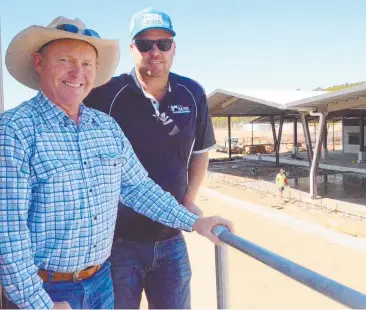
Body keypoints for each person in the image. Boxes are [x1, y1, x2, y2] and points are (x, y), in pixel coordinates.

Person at [0, 16, 233, 310]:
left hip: (101, 283)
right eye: (65, 60)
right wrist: (40, 304)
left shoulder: (106, 127)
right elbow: (8, 233)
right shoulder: (14, 130)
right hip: (45, 288)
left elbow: (138, 188)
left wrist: (196, 221)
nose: (77, 72)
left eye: (87, 64)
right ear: (39, 62)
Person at [82, 8, 216, 309]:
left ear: (174, 48)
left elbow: (200, 152)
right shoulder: (107, 92)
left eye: (163, 43)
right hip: (118, 244)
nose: (155, 51)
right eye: (145, 44)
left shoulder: (192, 93)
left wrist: (188, 199)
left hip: (171, 239)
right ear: (132, 49)